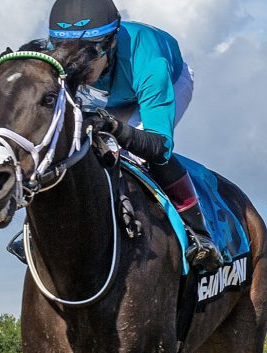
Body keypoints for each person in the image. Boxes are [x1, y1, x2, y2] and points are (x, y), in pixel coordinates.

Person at [43, 0, 223, 274]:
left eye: (90, 53)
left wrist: (116, 128)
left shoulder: (151, 63)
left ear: (112, 43)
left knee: (139, 154)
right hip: (109, 95)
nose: (79, 63)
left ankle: (200, 234)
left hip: (164, 82)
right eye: (68, 52)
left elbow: (160, 146)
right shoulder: (59, 58)